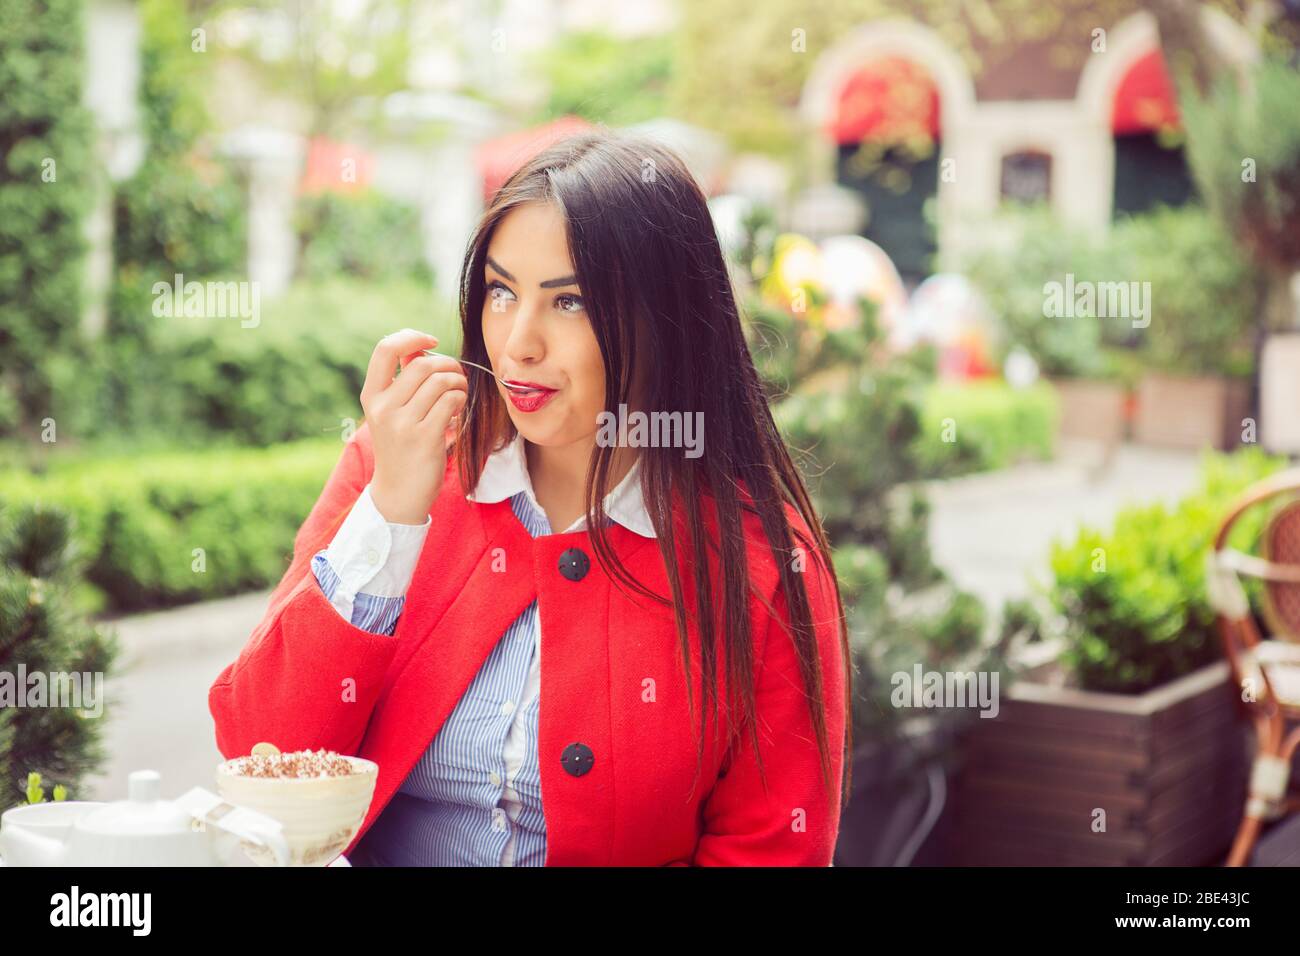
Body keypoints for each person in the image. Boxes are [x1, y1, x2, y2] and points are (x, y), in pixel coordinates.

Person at [209, 130, 852, 866]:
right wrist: (390, 515)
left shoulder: (763, 564)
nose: (518, 343)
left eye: (569, 302)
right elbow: (261, 756)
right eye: (501, 292)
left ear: (666, 320)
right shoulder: (396, 466)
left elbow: (771, 850)